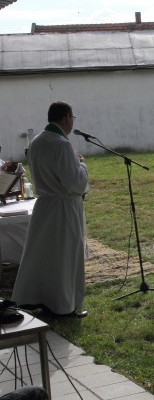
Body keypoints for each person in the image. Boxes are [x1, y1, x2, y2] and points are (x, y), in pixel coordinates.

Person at [12, 101, 89, 318]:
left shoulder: (37, 141)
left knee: (44, 254)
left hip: (45, 205)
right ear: (66, 117)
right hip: (64, 206)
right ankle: (64, 305)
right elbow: (75, 183)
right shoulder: (62, 144)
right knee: (65, 256)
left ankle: (37, 297)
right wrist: (82, 164)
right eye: (72, 118)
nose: (73, 122)